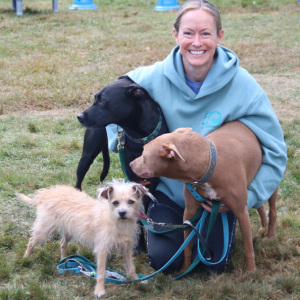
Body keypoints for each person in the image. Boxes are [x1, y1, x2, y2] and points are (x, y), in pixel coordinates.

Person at [106, 0, 287, 273]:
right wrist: (121, 144)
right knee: (167, 261)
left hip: (218, 196)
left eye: (206, 33)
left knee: (213, 263)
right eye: (188, 33)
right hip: (171, 191)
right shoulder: (151, 77)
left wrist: (248, 197)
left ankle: (226, 227)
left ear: (220, 36)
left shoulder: (243, 84)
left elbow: (275, 150)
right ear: (176, 34)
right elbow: (111, 103)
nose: (197, 42)